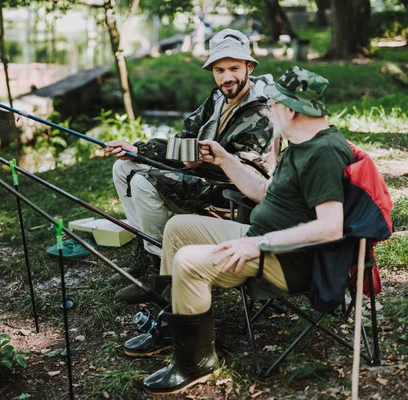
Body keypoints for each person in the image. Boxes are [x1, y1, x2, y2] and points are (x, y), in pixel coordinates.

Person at [136, 66, 355, 395]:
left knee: (188, 261)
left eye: (276, 105)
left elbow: (330, 226)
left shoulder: (323, 154)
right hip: (264, 240)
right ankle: (176, 323)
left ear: (293, 111)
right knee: (178, 228)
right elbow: (265, 192)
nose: (271, 110)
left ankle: (194, 365)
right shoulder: (302, 143)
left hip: (288, 260)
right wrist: (225, 160)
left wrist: (258, 245)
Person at [106, 29, 275, 303]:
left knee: (143, 181)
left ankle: (161, 271)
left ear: (250, 66)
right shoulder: (218, 99)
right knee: (123, 168)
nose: (226, 77)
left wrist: (195, 160)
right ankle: (148, 255)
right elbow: (184, 140)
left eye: (234, 68)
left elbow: (246, 174)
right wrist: (138, 150)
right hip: (205, 176)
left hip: (234, 195)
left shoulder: (260, 113)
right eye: (219, 70)